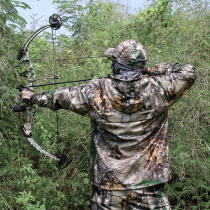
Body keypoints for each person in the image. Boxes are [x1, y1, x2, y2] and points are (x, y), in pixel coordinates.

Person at [21, 39, 197, 210]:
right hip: (149, 185)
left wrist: (32, 96)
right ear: (139, 65)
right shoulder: (160, 89)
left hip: (109, 187)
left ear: (118, 66)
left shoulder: (95, 90)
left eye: (114, 61)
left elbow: (59, 96)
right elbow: (188, 71)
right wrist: (148, 70)